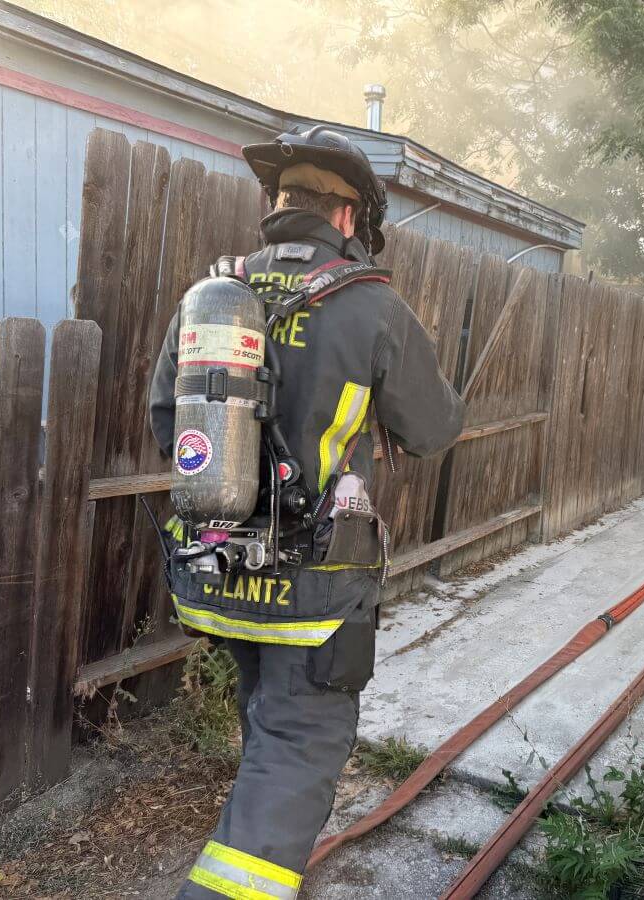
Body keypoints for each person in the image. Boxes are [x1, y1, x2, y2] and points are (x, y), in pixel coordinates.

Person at [147, 125, 465, 900]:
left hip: (215, 570)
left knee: (269, 720)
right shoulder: (372, 306)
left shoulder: (215, 296)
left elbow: (167, 422)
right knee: (297, 747)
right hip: (314, 590)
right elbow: (431, 431)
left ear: (277, 203)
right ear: (348, 216)